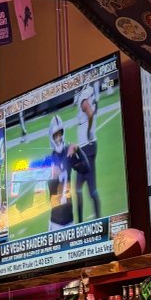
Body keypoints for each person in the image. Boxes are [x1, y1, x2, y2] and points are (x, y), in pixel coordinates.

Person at [70, 84, 101, 223]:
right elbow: (94, 109)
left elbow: (88, 111)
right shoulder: (89, 91)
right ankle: (83, 221)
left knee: (89, 187)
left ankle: (96, 219)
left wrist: (88, 131)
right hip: (88, 146)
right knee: (79, 188)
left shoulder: (84, 97)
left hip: (87, 147)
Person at [45, 118, 73, 228]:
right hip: (56, 223)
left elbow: (86, 168)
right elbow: (51, 197)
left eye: (60, 134)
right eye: (55, 136)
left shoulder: (69, 155)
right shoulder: (49, 161)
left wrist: (78, 151)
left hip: (70, 220)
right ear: (51, 138)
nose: (58, 138)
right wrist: (54, 176)